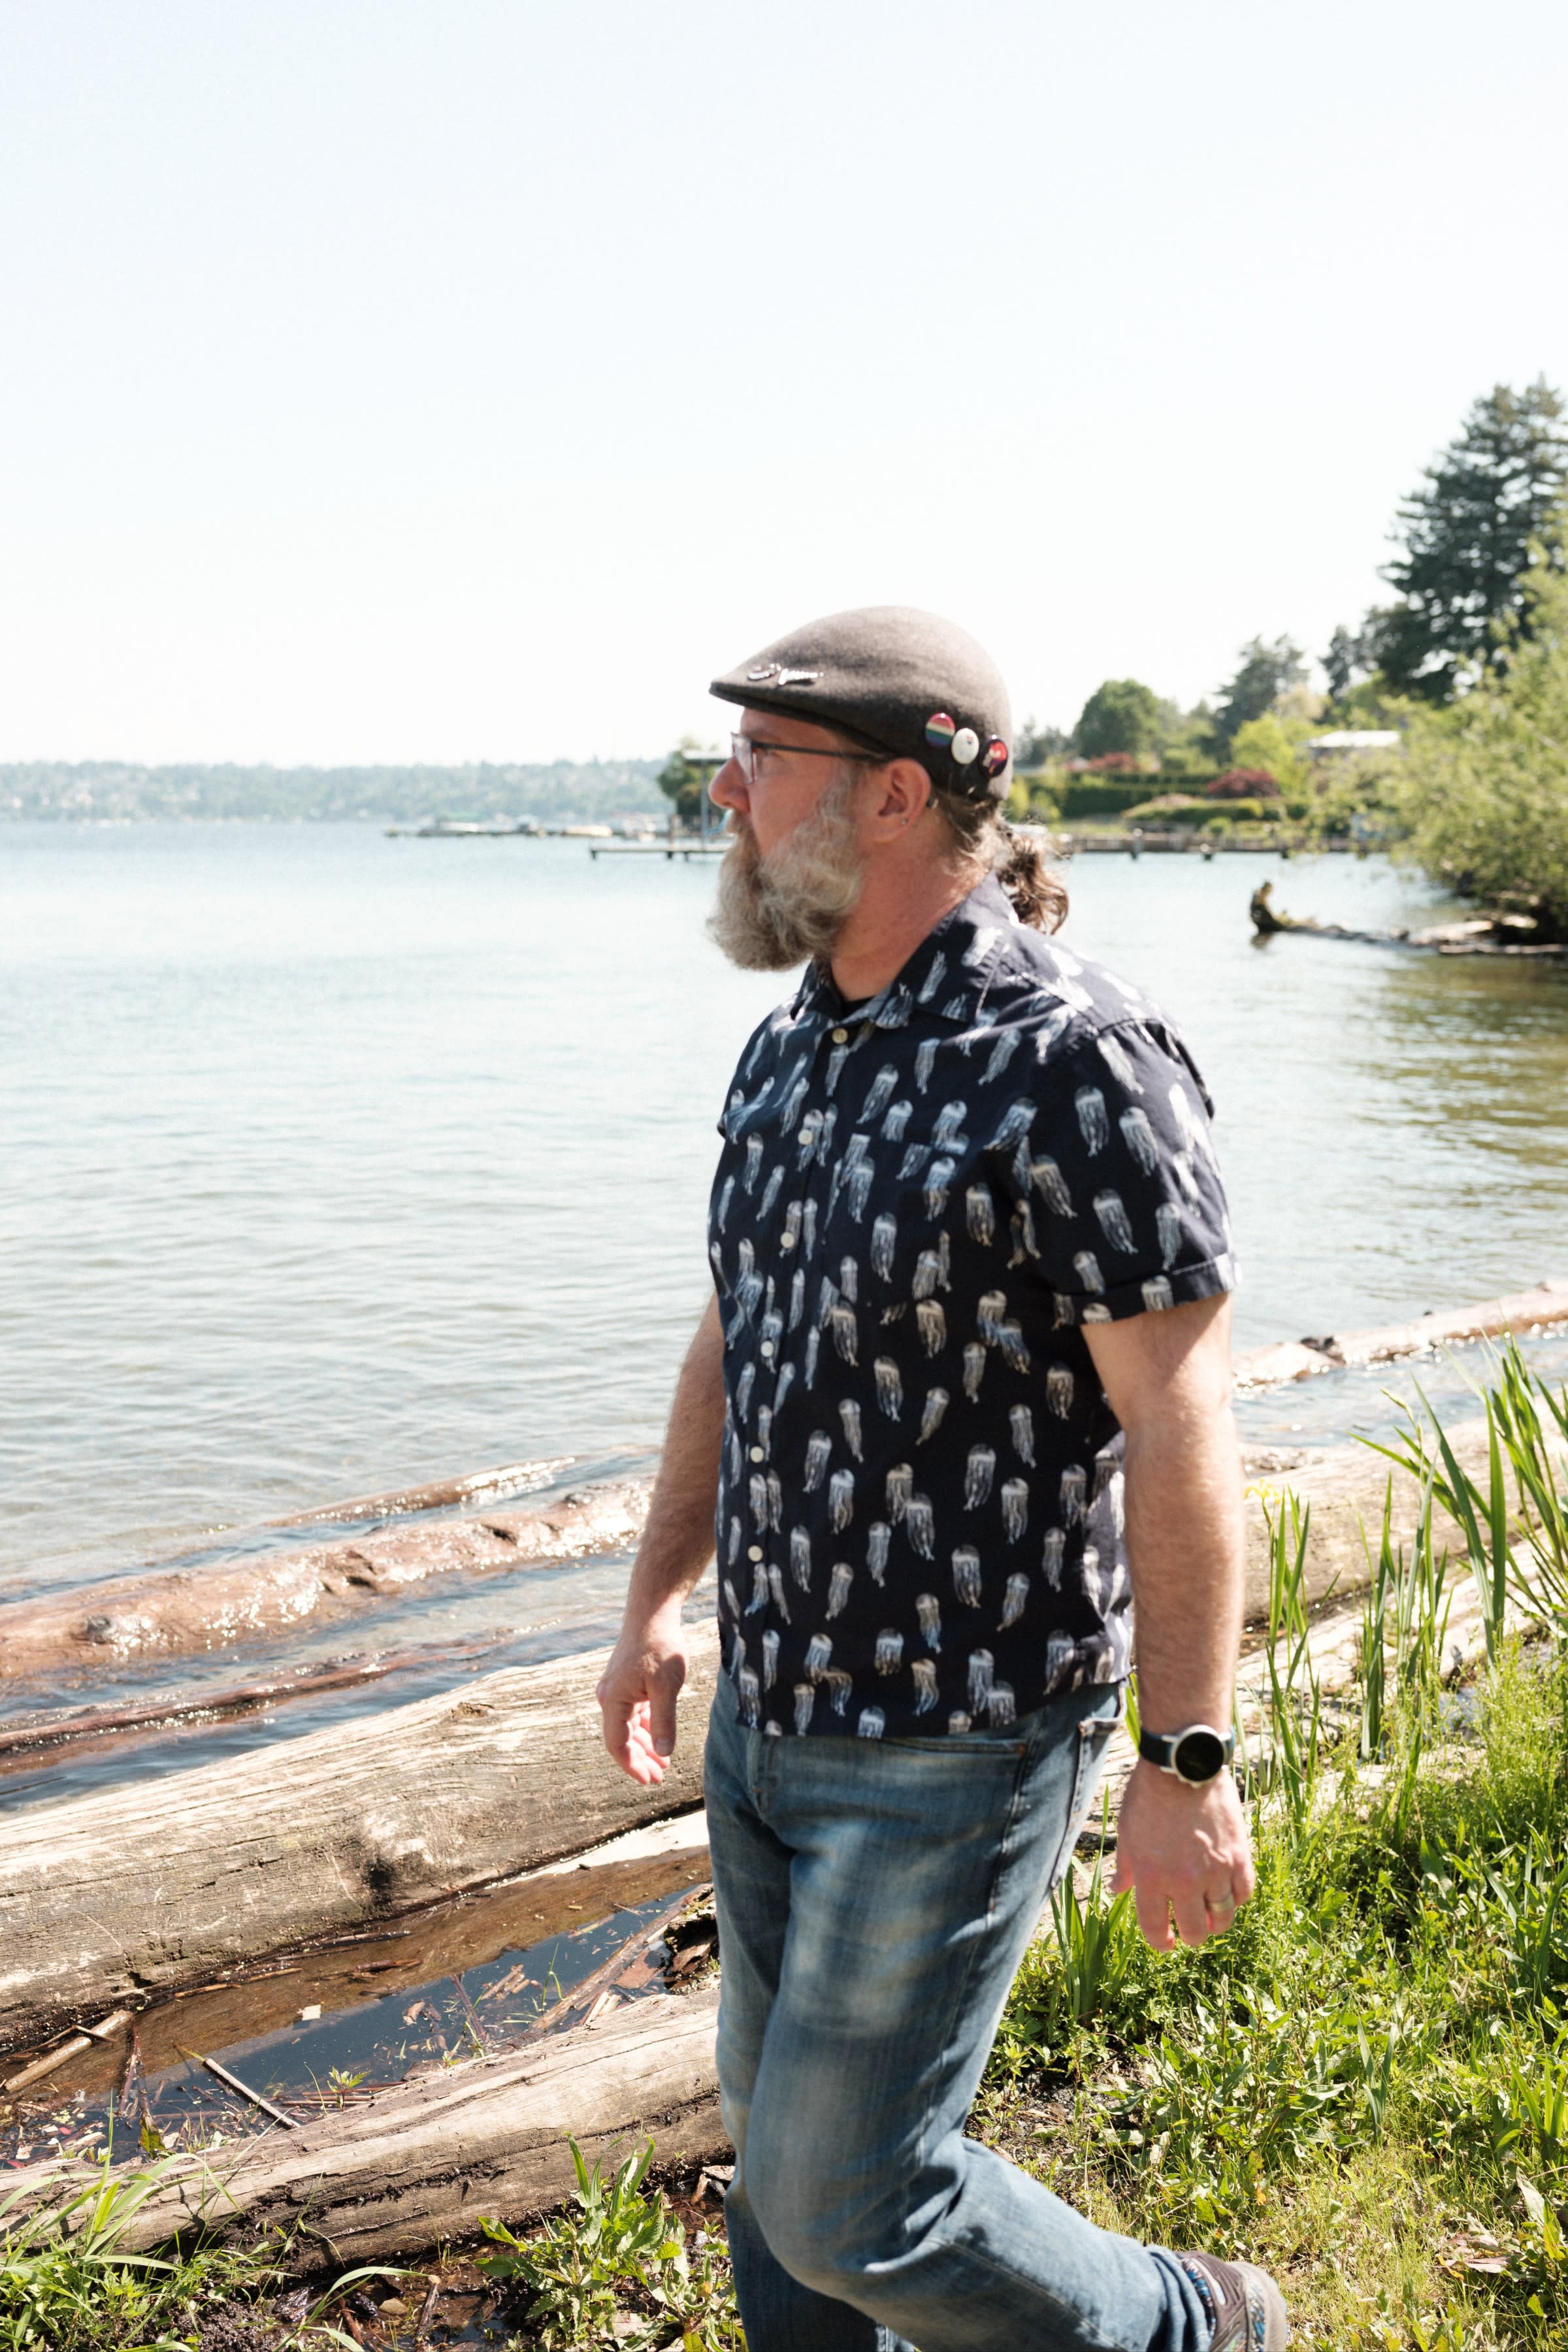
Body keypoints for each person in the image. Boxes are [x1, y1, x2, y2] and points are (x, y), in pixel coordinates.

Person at [596, 606, 1287, 2351]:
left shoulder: (1075, 1063)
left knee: (849, 2196)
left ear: (897, 795)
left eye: (762, 761)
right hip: (772, 1711)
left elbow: (1184, 1429)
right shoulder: (790, 1056)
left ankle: (1195, 2327)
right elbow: (727, 1352)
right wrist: (653, 1605)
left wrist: (1186, 1759)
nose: (723, 791)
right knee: (779, 2177)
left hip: (957, 1740)